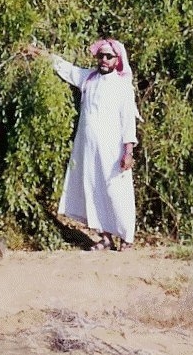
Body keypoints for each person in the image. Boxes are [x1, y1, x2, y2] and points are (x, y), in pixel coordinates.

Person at [25, 38, 139, 251]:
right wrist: (37, 52)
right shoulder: (89, 78)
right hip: (88, 148)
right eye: (101, 56)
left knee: (116, 192)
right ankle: (105, 238)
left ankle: (127, 238)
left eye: (109, 56)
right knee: (94, 189)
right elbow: (64, 67)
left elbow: (128, 121)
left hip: (113, 151)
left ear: (117, 60)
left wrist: (128, 151)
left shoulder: (123, 86)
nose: (104, 60)